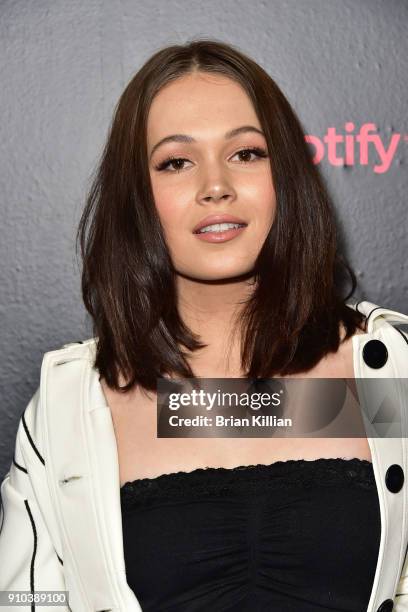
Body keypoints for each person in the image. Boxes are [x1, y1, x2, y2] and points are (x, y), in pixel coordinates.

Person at [1, 39, 407, 612]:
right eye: (176, 161)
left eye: (246, 153)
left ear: (285, 175)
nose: (215, 185)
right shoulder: (73, 405)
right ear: (137, 197)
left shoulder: (386, 371)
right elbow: (25, 598)